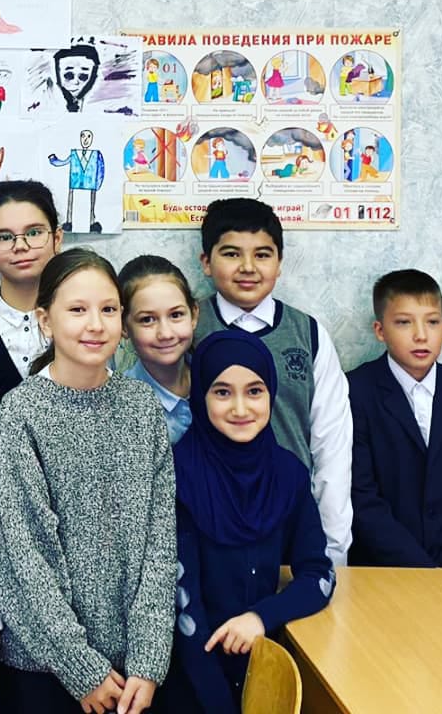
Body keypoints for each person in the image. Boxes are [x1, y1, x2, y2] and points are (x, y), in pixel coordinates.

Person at [0, 249, 175, 714]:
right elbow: (24, 551)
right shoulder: (22, 410)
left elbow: (160, 541)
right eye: (77, 309)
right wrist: (79, 664)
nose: (95, 324)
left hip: (133, 669)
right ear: (45, 321)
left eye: (108, 309)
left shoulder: (141, 407)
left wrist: (149, 659)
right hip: (45, 666)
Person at [164, 330, 335, 714]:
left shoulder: (287, 474)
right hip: (189, 676)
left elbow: (319, 575)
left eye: (254, 391)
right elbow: (182, 608)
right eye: (222, 392)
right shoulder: (178, 475)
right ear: (201, 395)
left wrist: (261, 617)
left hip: (265, 665)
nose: (240, 408)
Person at [193, 198, 353, 565]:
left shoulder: (307, 334)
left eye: (262, 255)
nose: (248, 267)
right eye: (231, 254)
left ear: (279, 263)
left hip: (291, 519)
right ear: (206, 262)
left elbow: (332, 443)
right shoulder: (187, 329)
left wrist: (333, 546)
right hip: (209, 520)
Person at [348, 269, 442, 574]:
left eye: (431, 322)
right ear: (380, 330)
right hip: (381, 569)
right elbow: (360, 494)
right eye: (404, 322)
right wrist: (421, 570)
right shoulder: (355, 391)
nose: (421, 335)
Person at [0, 180, 62, 417]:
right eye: (5, 237)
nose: (20, 246)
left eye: (34, 233)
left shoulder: (82, 320)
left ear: (57, 239)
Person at [119, 255, 198, 445]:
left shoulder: (218, 377)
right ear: (123, 326)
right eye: (147, 319)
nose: (165, 333)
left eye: (176, 315)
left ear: (194, 315)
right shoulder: (121, 408)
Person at [47, 128, 105, 233]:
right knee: (72, 204)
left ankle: (91, 222)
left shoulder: (96, 154)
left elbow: (101, 169)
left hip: (90, 184)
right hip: (75, 183)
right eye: (83, 136)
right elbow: (63, 162)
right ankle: (69, 222)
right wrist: (52, 159)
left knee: (90, 205)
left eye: (88, 137)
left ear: (92, 139)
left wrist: (98, 184)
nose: (85, 139)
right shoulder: (74, 154)